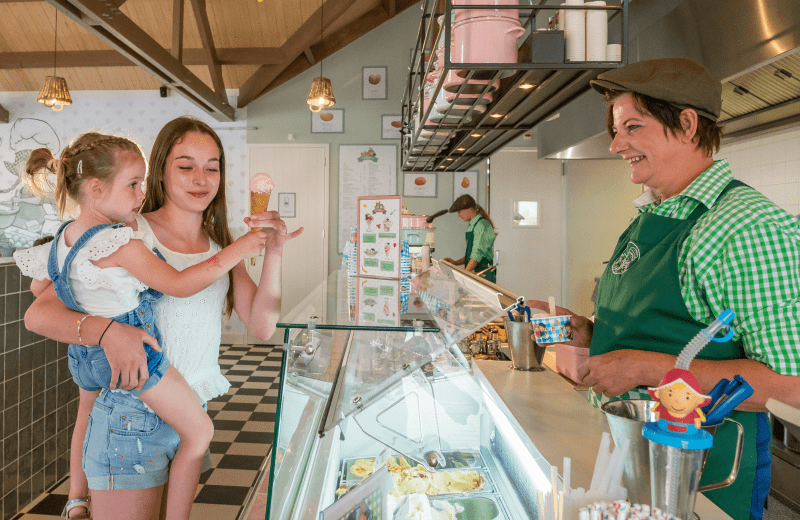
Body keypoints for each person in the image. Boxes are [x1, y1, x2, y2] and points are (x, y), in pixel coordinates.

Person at [530, 58, 800, 520]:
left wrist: (642, 367)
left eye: (632, 127)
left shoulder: (745, 227)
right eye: (616, 130)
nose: (616, 145)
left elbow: (790, 386)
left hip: (700, 481)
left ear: (688, 124)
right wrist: (588, 333)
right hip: (632, 462)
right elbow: (666, 331)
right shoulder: (657, 214)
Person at [24, 116, 303, 520]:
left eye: (212, 167)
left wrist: (272, 250)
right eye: (185, 166)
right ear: (160, 172)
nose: (201, 179)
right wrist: (108, 332)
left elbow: (262, 327)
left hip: (187, 412)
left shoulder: (220, 244)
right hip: (132, 418)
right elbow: (41, 310)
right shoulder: (129, 232)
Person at [442, 194, 497, 283]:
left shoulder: (482, 225)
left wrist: (463, 277)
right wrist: (456, 263)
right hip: (475, 276)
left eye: (459, 211)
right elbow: (472, 253)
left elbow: (476, 256)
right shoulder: (472, 226)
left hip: (483, 277)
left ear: (469, 209)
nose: (458, 215)